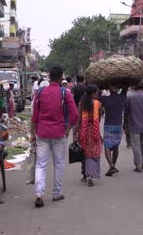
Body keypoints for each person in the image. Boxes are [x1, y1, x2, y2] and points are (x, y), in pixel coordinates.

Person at [31, 66, 78, 208]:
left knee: (41, 164)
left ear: (50, 76)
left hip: (42, 133)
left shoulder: (40, 92)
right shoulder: (65, 93)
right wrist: (68, 129)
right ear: (61, 77)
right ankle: (57, 193)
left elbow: (34, 116)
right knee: (58, 163)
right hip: (59, 133)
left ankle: (39, 194)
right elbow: (75, 114)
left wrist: (32, 134)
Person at [124, 82, 143, 172]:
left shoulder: (130, 98)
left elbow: (126, 112)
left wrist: (125, 123)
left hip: (134, 126)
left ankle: (138, 164)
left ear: (134, 87)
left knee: (136, 145)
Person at [76, 85, 102, 186]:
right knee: (94, 154)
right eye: (97, 92)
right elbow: (99, 119)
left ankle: (85, 175)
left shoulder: (81, 103)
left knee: (85, 153)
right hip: (94, 131)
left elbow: (79, 119)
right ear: (93, 93)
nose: (98, 94)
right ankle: (91, 175)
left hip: (83, 131)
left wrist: (75, 132)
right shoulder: (98, 104)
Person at [100, 85, 127, 176]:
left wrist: (103, 84)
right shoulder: (122, 97)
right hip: (118, 125)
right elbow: (125, 86)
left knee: (107, 146)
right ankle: (112, 166)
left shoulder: (105, 99)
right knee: (116, 146)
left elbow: (97, 92)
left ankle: (111, 165)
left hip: (108, 125)